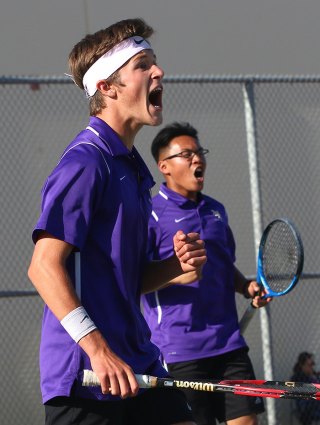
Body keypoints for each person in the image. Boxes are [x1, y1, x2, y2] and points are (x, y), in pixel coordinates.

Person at [28, 20, 207, 425]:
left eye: (155, 63)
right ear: (108, 87)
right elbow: (43, 267)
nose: (158, 72)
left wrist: (176, 267)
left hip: (136, 363)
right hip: (88, 377)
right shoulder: (86, 162)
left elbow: (129, 280)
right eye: (143, 65)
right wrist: (97, 348)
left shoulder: (131, 167)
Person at [141, 121, 273, 425]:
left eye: (199, 152)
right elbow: (134, 280)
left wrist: (246, 287)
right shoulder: (150, 216)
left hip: (229, 346)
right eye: (186, 154)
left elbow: (223, 264)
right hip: (178, 352)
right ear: (165, 167)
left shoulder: (216, 210)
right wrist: (177, 273)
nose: (197, 159)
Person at [291, 352, 320, 425]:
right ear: (302, 365)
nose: (312, 367)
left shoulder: (314, 375)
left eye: (312, 364)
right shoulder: (298, 377)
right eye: (309, 365)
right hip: (307, 408)